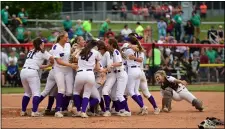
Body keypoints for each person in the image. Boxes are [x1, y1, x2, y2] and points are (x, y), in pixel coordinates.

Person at [20, 38, 54, 117]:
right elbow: (52, 58)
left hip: (23, 72)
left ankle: (23, 111)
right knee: (36, 93)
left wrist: (48, 65)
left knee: (27, 93)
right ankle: (34, 111)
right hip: (32, 72)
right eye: (42, 43)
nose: (44, 44)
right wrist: (52, 62)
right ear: (40, 44)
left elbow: (37, 65)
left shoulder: (31, 51)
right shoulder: (43, 52)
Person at [51, 31, 78, 118]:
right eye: (66, 37)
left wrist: (75, 52)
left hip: (68, 70)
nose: (67, 39)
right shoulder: (56, 46)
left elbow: (70, 56)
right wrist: (71, 65)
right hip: (59, 70)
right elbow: (58, 61)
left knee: (69, 92)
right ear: (61, 37)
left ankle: (63, 108)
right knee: (61, 90)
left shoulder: (68, 45)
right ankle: (58, 110)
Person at [72, 40, 102, 118]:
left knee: (76, 92)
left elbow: (74, 58)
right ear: (95, 46)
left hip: (80, 73)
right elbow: (98, 67)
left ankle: (78, 110)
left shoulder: (82, 50)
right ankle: (83, 111)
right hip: (90, 74)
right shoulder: (96, 52)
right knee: (87, 93)